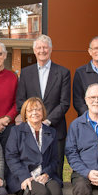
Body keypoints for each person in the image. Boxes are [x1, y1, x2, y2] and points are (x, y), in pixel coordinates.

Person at [4, 97, 64, 195]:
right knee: (42, 194)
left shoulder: (51, 132)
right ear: (25, 113)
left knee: (56, 193)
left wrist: (46, 173)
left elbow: (55, 159)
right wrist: (24, 176)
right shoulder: (16, 131)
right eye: (30, 110)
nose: (35, 113)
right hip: (22, 177)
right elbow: (11, 157)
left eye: (38, 109)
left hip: (44, 175)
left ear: (43, 112)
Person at [16, 34, 71, 175]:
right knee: (32, 169)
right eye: (39, 47)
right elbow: (21, 101)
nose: (42, 50)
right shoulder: (26, 73)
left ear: (51, 49)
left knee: (55, 169)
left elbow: (64, 103)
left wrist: (46, 121)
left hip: (55, 129)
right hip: (31, 129)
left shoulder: (63, 72)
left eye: (45, 47)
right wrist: (33, 120)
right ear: (34, 50)